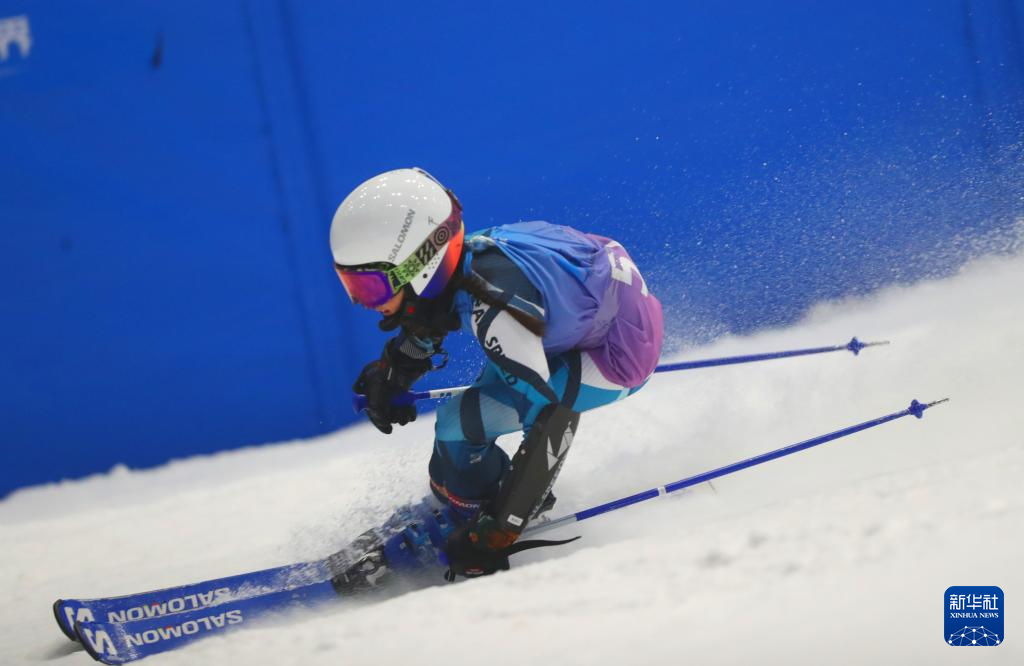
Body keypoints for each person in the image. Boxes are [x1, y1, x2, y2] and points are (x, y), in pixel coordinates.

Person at [330, 168, 663, 579]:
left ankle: (468, 512)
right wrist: (395, 371)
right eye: (352, 286)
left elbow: (552, 421)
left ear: (420, 265)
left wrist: (498, 531)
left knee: (460, 426)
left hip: (615, 354)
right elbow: (438, 305)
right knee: (456, 425)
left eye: (371, 288)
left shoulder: (500, 312)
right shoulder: (466, 262)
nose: (364, 304)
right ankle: (457, 503)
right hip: (587, 308)